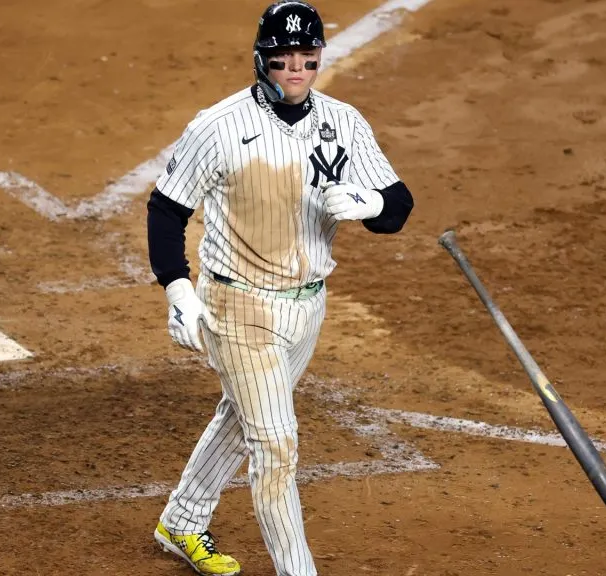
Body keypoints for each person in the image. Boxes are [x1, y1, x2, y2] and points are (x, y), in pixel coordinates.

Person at [146, 1, 414, 574]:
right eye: (282, 57)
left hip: (306, 308)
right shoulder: (217, 127)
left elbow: (399, 206)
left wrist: (370, 204)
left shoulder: (343, 123)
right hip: (237, 305)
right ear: (261, 60)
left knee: (245, 417)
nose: (295, 68)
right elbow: (166, 212)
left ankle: (183, 520)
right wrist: (179, 290)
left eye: (306, 58)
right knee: (275, 446)